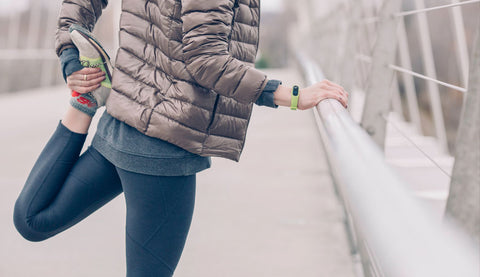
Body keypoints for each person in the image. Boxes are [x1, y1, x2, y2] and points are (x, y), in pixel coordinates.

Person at [13, 0, 349, 276]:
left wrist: (71, 58)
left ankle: (85, 104)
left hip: (119, 124)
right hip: (164, 149)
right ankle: (89, 100)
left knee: (33, 218)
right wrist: (290, 95)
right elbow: (206, 60)